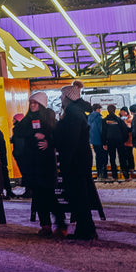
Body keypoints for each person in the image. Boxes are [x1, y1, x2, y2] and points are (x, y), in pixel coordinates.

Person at [11, 92, 63, 237]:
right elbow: (18, 132)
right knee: (38, 196)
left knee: (49, 195)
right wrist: (33, 134)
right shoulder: (27, 120)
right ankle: (45, 225)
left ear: (41, 105)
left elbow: (58, 137)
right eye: (31, 103)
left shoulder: (49, 119)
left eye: (35, 103)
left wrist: (48, 141)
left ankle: (60, 223)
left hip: (45, 164)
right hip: (32, 164)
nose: (33, 105)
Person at [56, 84, 101, 240]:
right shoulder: (76, 112)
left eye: (62, 96)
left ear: (68, 97)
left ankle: (86, 230)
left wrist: (66, 161)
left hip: (76, 161)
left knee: (79, 196)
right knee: (80, 195)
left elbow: (71, 141)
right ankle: (85, 229)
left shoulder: (73, 113)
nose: (61, 98)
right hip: (80, 160)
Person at [101, 103, 130, 181]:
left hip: (110, 141)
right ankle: (125, 174)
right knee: (122, 157)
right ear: (114, 110)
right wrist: (124, 140)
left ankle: (114, 175)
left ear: (107, 111)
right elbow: (124, 131)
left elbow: (103, 132)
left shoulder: (104, 121)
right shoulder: (119, 120)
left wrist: (104, 143)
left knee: (112, 158)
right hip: (119, 141)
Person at [88, 101, 106, 180]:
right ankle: (101, 174)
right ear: (97, 109)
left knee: (97, 156)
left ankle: (99, 173)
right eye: (100, 109)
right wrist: (104, 142)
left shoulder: (89, 117)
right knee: (102, 157)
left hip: (93, 140)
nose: (100, 111)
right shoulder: (99, 118)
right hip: (99, 140)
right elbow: (101, 130)